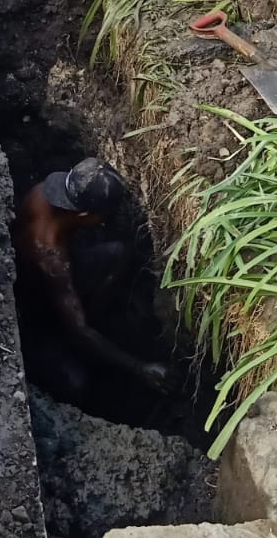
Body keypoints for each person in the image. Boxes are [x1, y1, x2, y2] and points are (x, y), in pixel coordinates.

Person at [13, 158, 168, 404]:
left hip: (45, 279)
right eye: (103, 215)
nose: (105, 220)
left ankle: (96, 319)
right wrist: (140, 368)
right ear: (84, 213)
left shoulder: (42, 192)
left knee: (118, 253)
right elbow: (79, 331)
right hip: (31, 315)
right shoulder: (51, 259)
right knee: (76, 384)